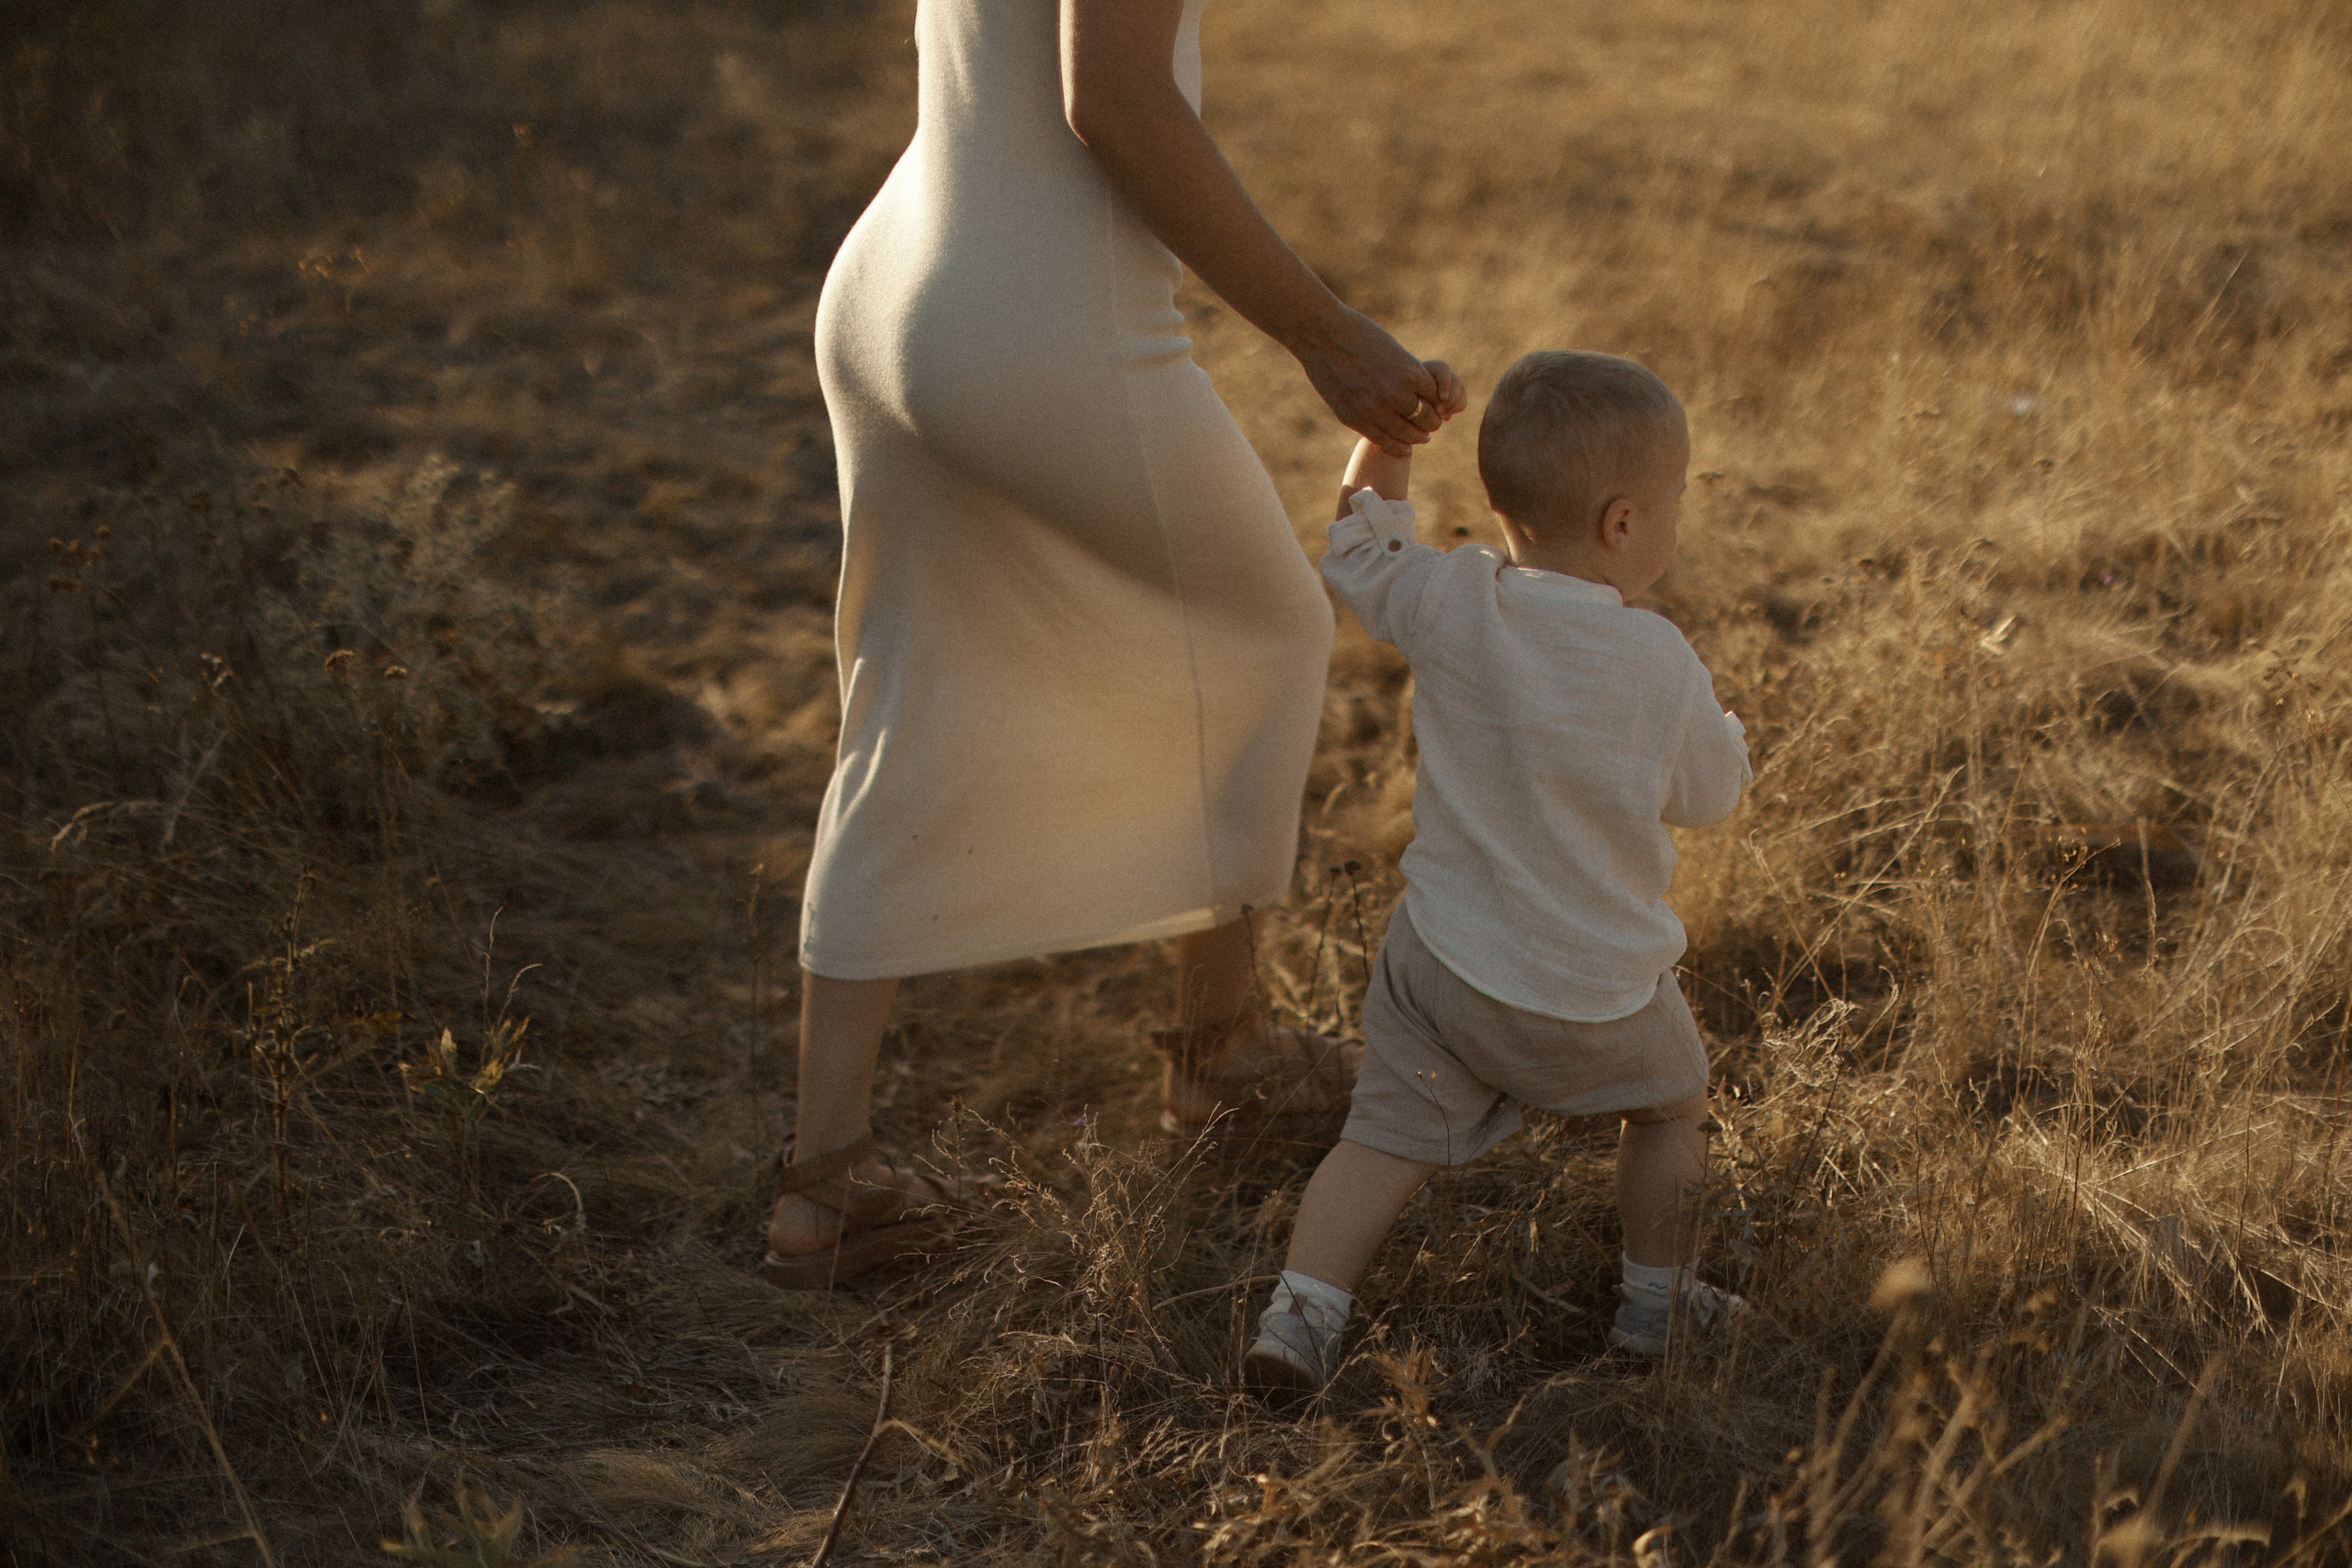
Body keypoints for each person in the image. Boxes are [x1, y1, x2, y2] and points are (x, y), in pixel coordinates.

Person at [761, 0, 1470, 1290]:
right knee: (1265, 631)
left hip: (894, 287)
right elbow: (1119, 105)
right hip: (1039, 320)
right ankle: (1225, 1050)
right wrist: (1322, 331)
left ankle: (824, 1178)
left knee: (902, 699)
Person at [1241, 350, 1752, 1396]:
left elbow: (1361, 543)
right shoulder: (1658, 661)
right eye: (1672, 505)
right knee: (1670, 1112)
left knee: (1381, 1139)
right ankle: (1655, 1306)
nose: (1673, 523)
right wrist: (1726, 733)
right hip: (1596, 992)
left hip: (1447, 971)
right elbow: (1708, 796)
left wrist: (1389, 437)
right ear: (1622, 524)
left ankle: (1297, 1322)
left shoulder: (1451, 598)